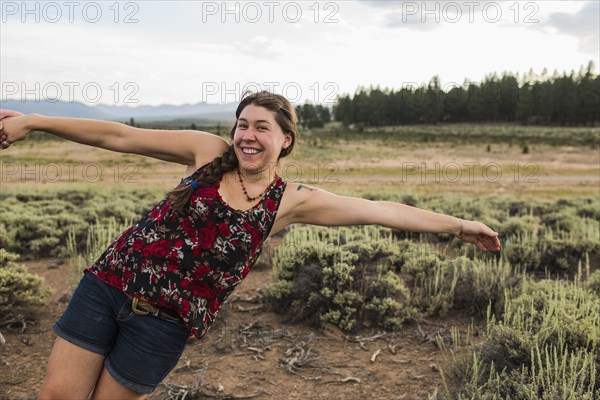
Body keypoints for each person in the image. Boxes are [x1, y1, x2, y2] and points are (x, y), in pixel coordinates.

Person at [0, 91, 501, 399]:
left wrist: (457, 225)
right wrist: (35, 121)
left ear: (285, 140)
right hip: (107, 287)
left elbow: (381, 211)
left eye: (262, 127)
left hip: (166, 323)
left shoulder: (292, 201)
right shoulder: (205, 152)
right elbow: (119, 136)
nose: (248, 135)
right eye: (242, 124)